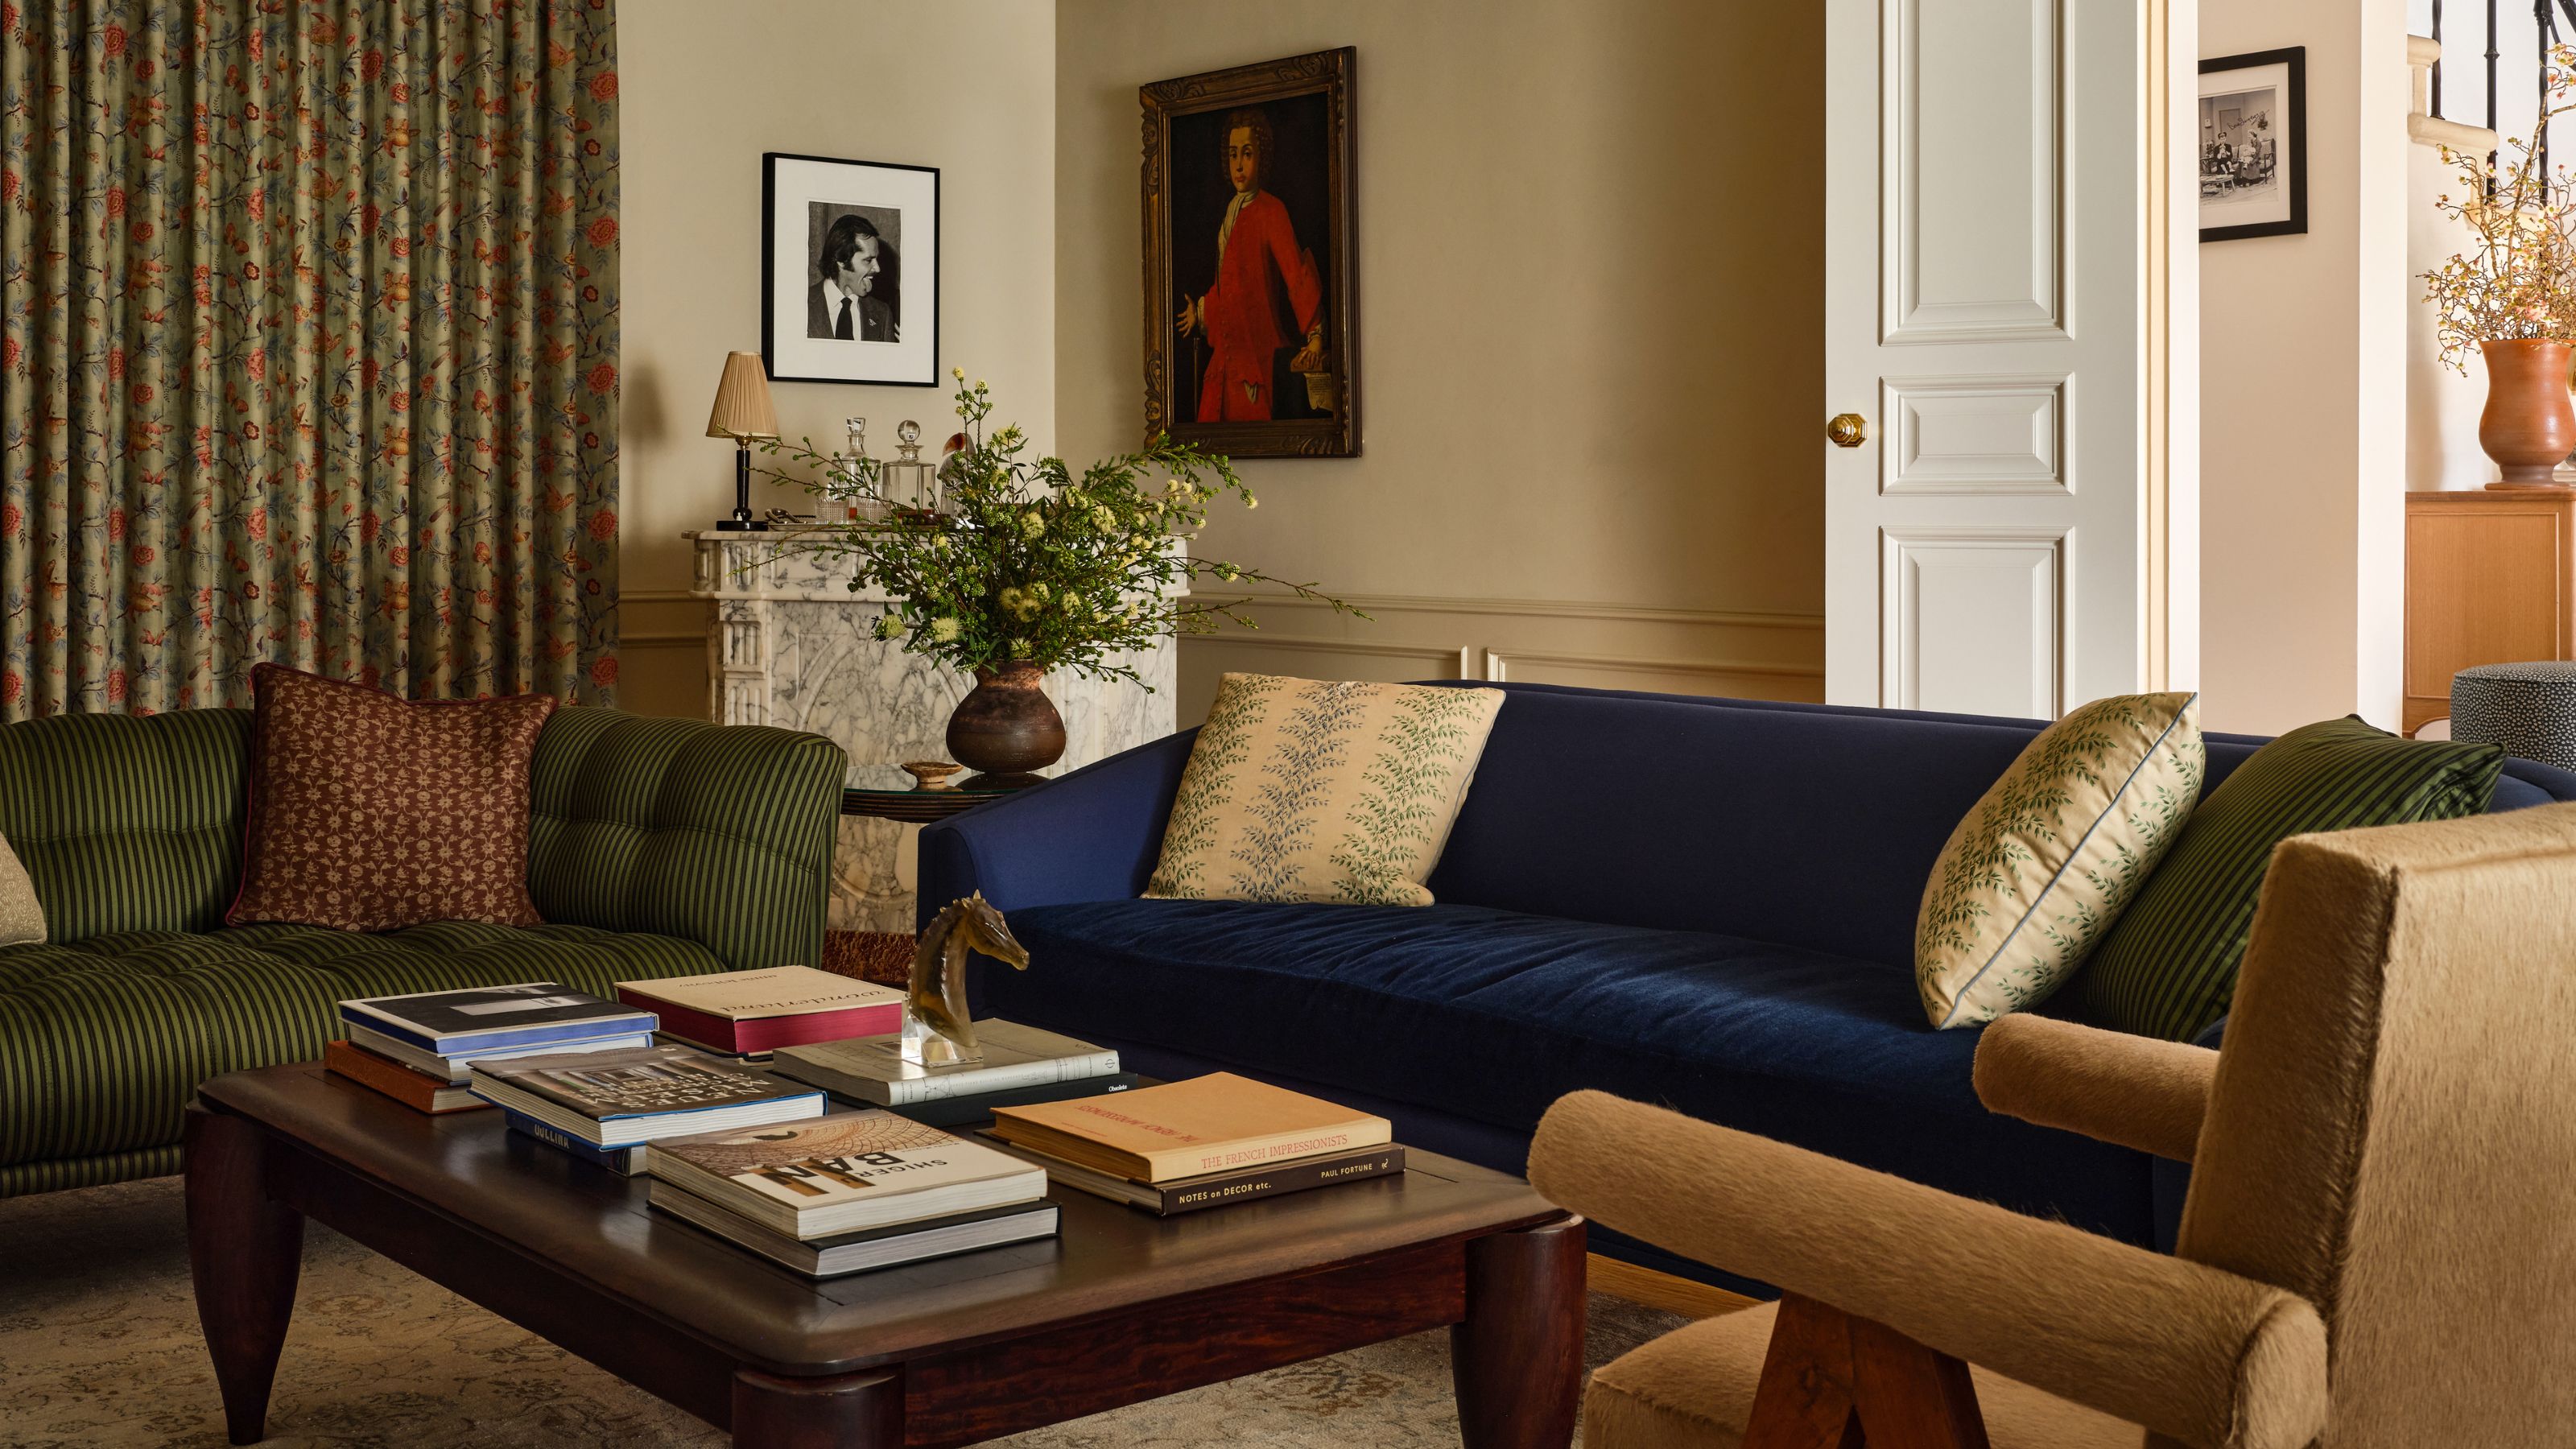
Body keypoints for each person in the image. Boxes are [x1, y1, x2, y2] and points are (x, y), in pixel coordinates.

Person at [1174, 106, 1324, 422]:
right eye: (1232, 155)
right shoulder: (1231, 211)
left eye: (1246, 154)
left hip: (1256, 363)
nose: (1239, 166)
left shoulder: (1272, 211)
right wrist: (1200, 311)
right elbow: (1228, 286)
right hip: (1224, 366)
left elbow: (1296, 275)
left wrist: (1316, 335)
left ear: (1262, 157)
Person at [806, 213, 897, 342]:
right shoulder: (801, 305)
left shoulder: (883, 314)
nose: (878, 268)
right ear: (841, 259)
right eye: (868, 260)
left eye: (876, 259)